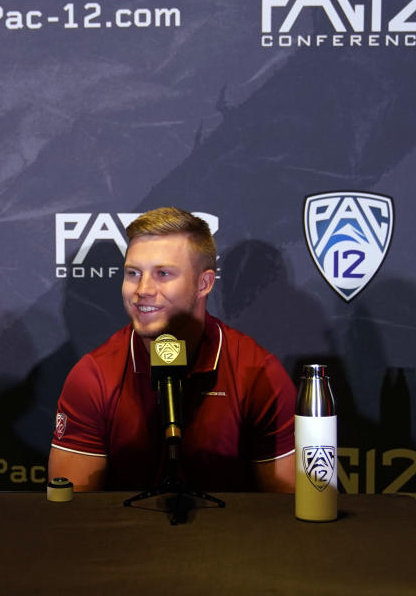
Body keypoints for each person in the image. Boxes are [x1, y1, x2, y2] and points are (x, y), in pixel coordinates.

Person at [48, 207, 296, 492]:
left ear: (204, 283)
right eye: (133, 273)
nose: (142, 290)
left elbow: (290, 509)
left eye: (163, 274)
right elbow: (70, 516)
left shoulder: (256, 371)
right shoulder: (94, 375)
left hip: (230, 536)